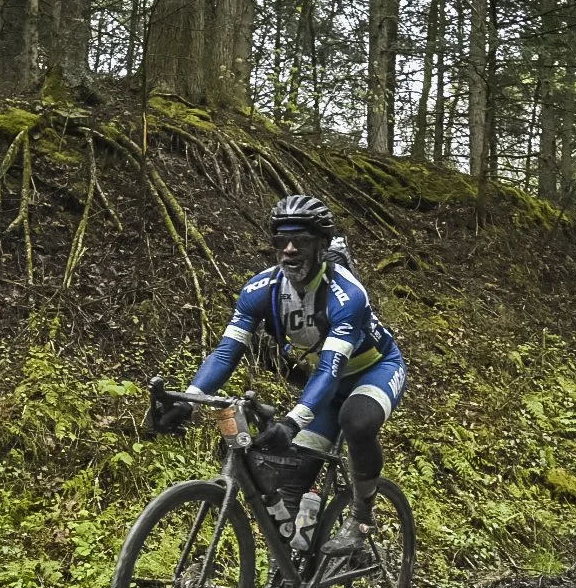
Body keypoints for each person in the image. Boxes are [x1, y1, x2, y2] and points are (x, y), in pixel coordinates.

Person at [155, 194, 407, 561]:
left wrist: (292, 422)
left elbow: (329, 370)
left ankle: (361, 519)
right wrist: (190, 398)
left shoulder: (346, 295)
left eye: (300, 242)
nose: (288, 250)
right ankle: (283, 583)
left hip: (374, 369)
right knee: (290, 487)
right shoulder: (261, 290)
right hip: (327, 382)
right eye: (280, 242)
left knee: (356, 420)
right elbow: (227, 352)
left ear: (322, 246)